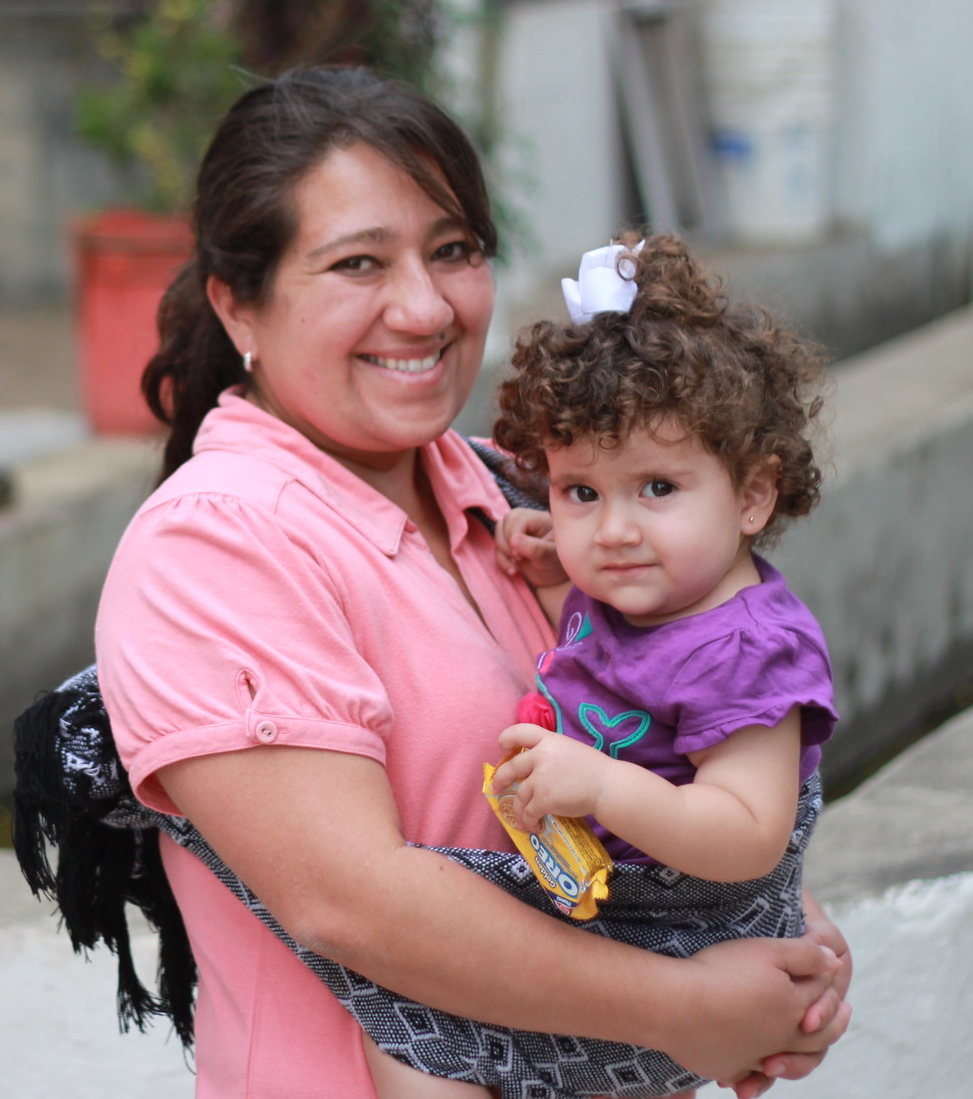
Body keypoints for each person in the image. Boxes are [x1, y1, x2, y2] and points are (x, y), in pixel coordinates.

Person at [91, 66, 850, 1099]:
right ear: (239, 306)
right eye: (358, 263)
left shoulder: (524, 491)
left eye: (453, 252)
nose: (423, 306)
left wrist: (772, 947)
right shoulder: (217, 547)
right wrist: (690, 1009)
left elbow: (682, 739)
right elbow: (351, 903)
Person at [361, 235, 837, 1099]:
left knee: (418, 1034)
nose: (613, 528)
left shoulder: (747, 648)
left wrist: (601, 786)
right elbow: (594, 663)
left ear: (754, 493)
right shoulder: (636, 590)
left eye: (657, 487)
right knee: (418, 1016)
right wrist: (553, 566)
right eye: (582, 491)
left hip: (682, 919)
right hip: (602, 893)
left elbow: (747, 831)